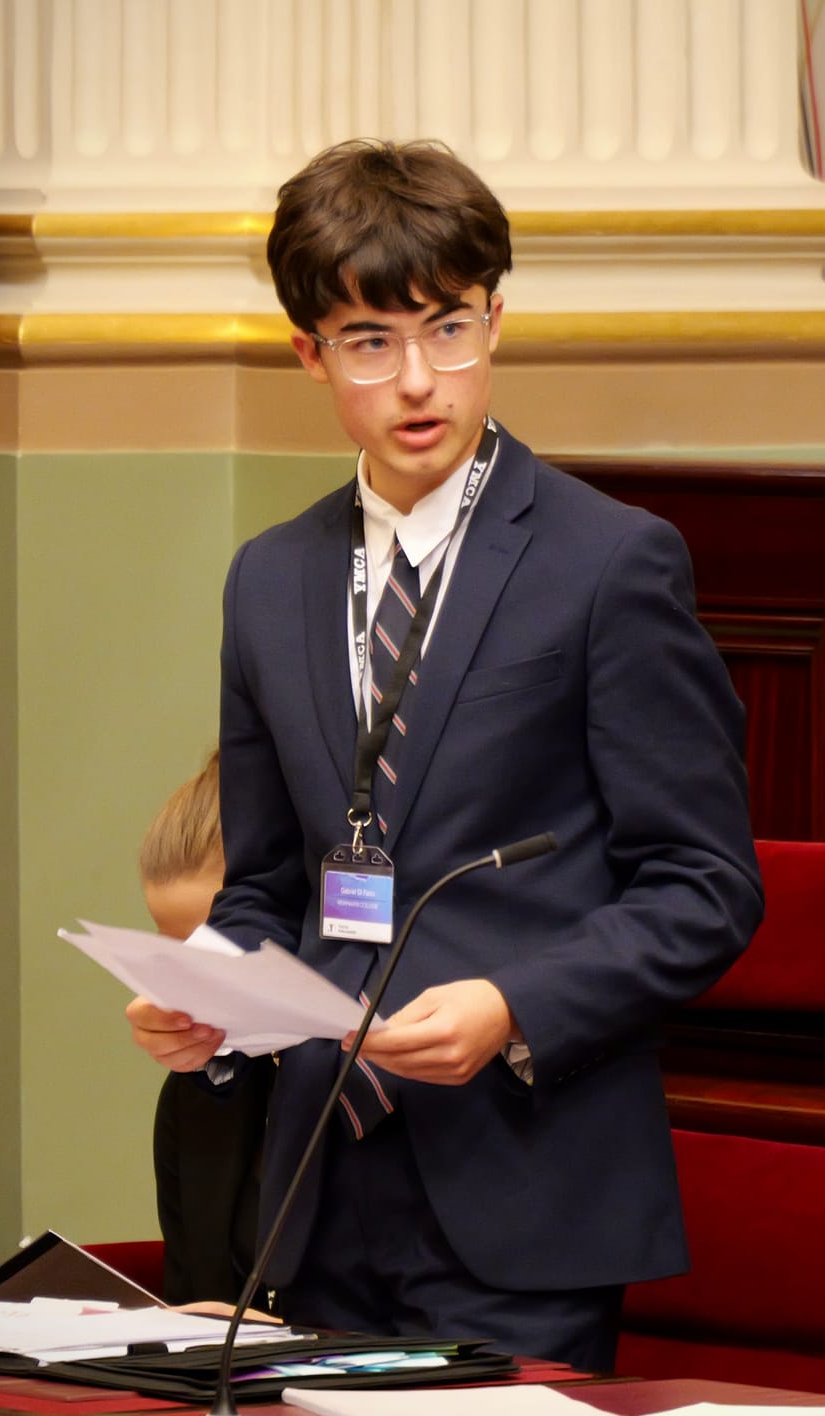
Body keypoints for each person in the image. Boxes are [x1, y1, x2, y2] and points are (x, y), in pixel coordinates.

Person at [123, 139, 762, 1373]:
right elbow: (266, 882)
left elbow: (704, 886)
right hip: (314, 1183)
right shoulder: (269, 579)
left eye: (450, 330)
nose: (420, 381)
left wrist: (514, 1005)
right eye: (370, 341)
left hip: (524, 1180)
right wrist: (204, 986)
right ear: (308, 354)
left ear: (496, 321)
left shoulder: (608, 562)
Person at [136, 751, 278, 1307]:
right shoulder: (194, 1098)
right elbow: (191, 1291)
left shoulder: (372, 1096)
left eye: (216, 948)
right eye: (176, 957)